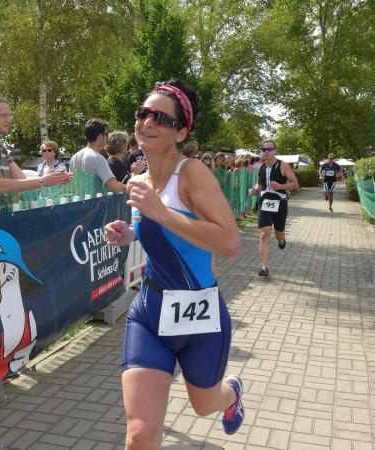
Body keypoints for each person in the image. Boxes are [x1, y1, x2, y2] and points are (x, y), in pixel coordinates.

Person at [104, 80, 245, 447]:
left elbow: (229, 242)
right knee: (140, 433)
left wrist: (162, 213)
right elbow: (161, 232)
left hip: (199, 317)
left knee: (204, 405)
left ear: (181, 132)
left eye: (161, 118)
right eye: (143, 113)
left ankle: (231, 394)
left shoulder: (192, 172)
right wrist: (129, 233)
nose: (147, 122)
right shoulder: (138, 180)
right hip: (150, 313)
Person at [0, 96, 70, 194]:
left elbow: (23, 181)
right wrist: (43, 181)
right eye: (3, 115)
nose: (9, 120)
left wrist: (53, 178)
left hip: (7, 212)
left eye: (9, 115)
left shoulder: (1, 148)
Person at [248, 140, 299, 277]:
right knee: (264, 234)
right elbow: (260, 183)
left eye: (269, 149)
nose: (266, 152)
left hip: (280, 202)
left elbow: (295, 184)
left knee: (278, 233)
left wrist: (280, 186)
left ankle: (281, 239)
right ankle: (264, 267)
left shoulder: (283, 165)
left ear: (275, 150)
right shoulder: (261, 166)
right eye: (264, 149)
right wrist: (254, 190)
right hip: (265, 202)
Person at [68, 118, 125, 193]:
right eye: (106, 134)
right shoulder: (98, 158)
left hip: (79, 200)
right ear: (100, 136)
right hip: (96, 200)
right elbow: (116, 187)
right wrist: (130, 187)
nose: (106, 137)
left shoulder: (74, 158)